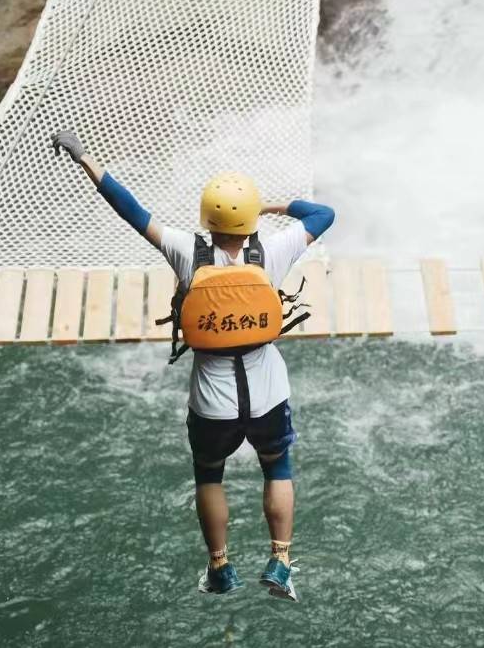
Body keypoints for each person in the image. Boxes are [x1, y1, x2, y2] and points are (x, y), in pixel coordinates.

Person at [52, 130, 335, 599]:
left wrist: (87, 160)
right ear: (250, 219)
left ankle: (220, 567)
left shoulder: (186, 251)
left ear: (208, 219)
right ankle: (281, 561)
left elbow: (130, 211)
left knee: (209, 474)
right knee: (277, 467)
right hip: (267, 391)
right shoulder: (276, 251)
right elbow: (325, 214)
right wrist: (275, 209)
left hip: (212, 399)